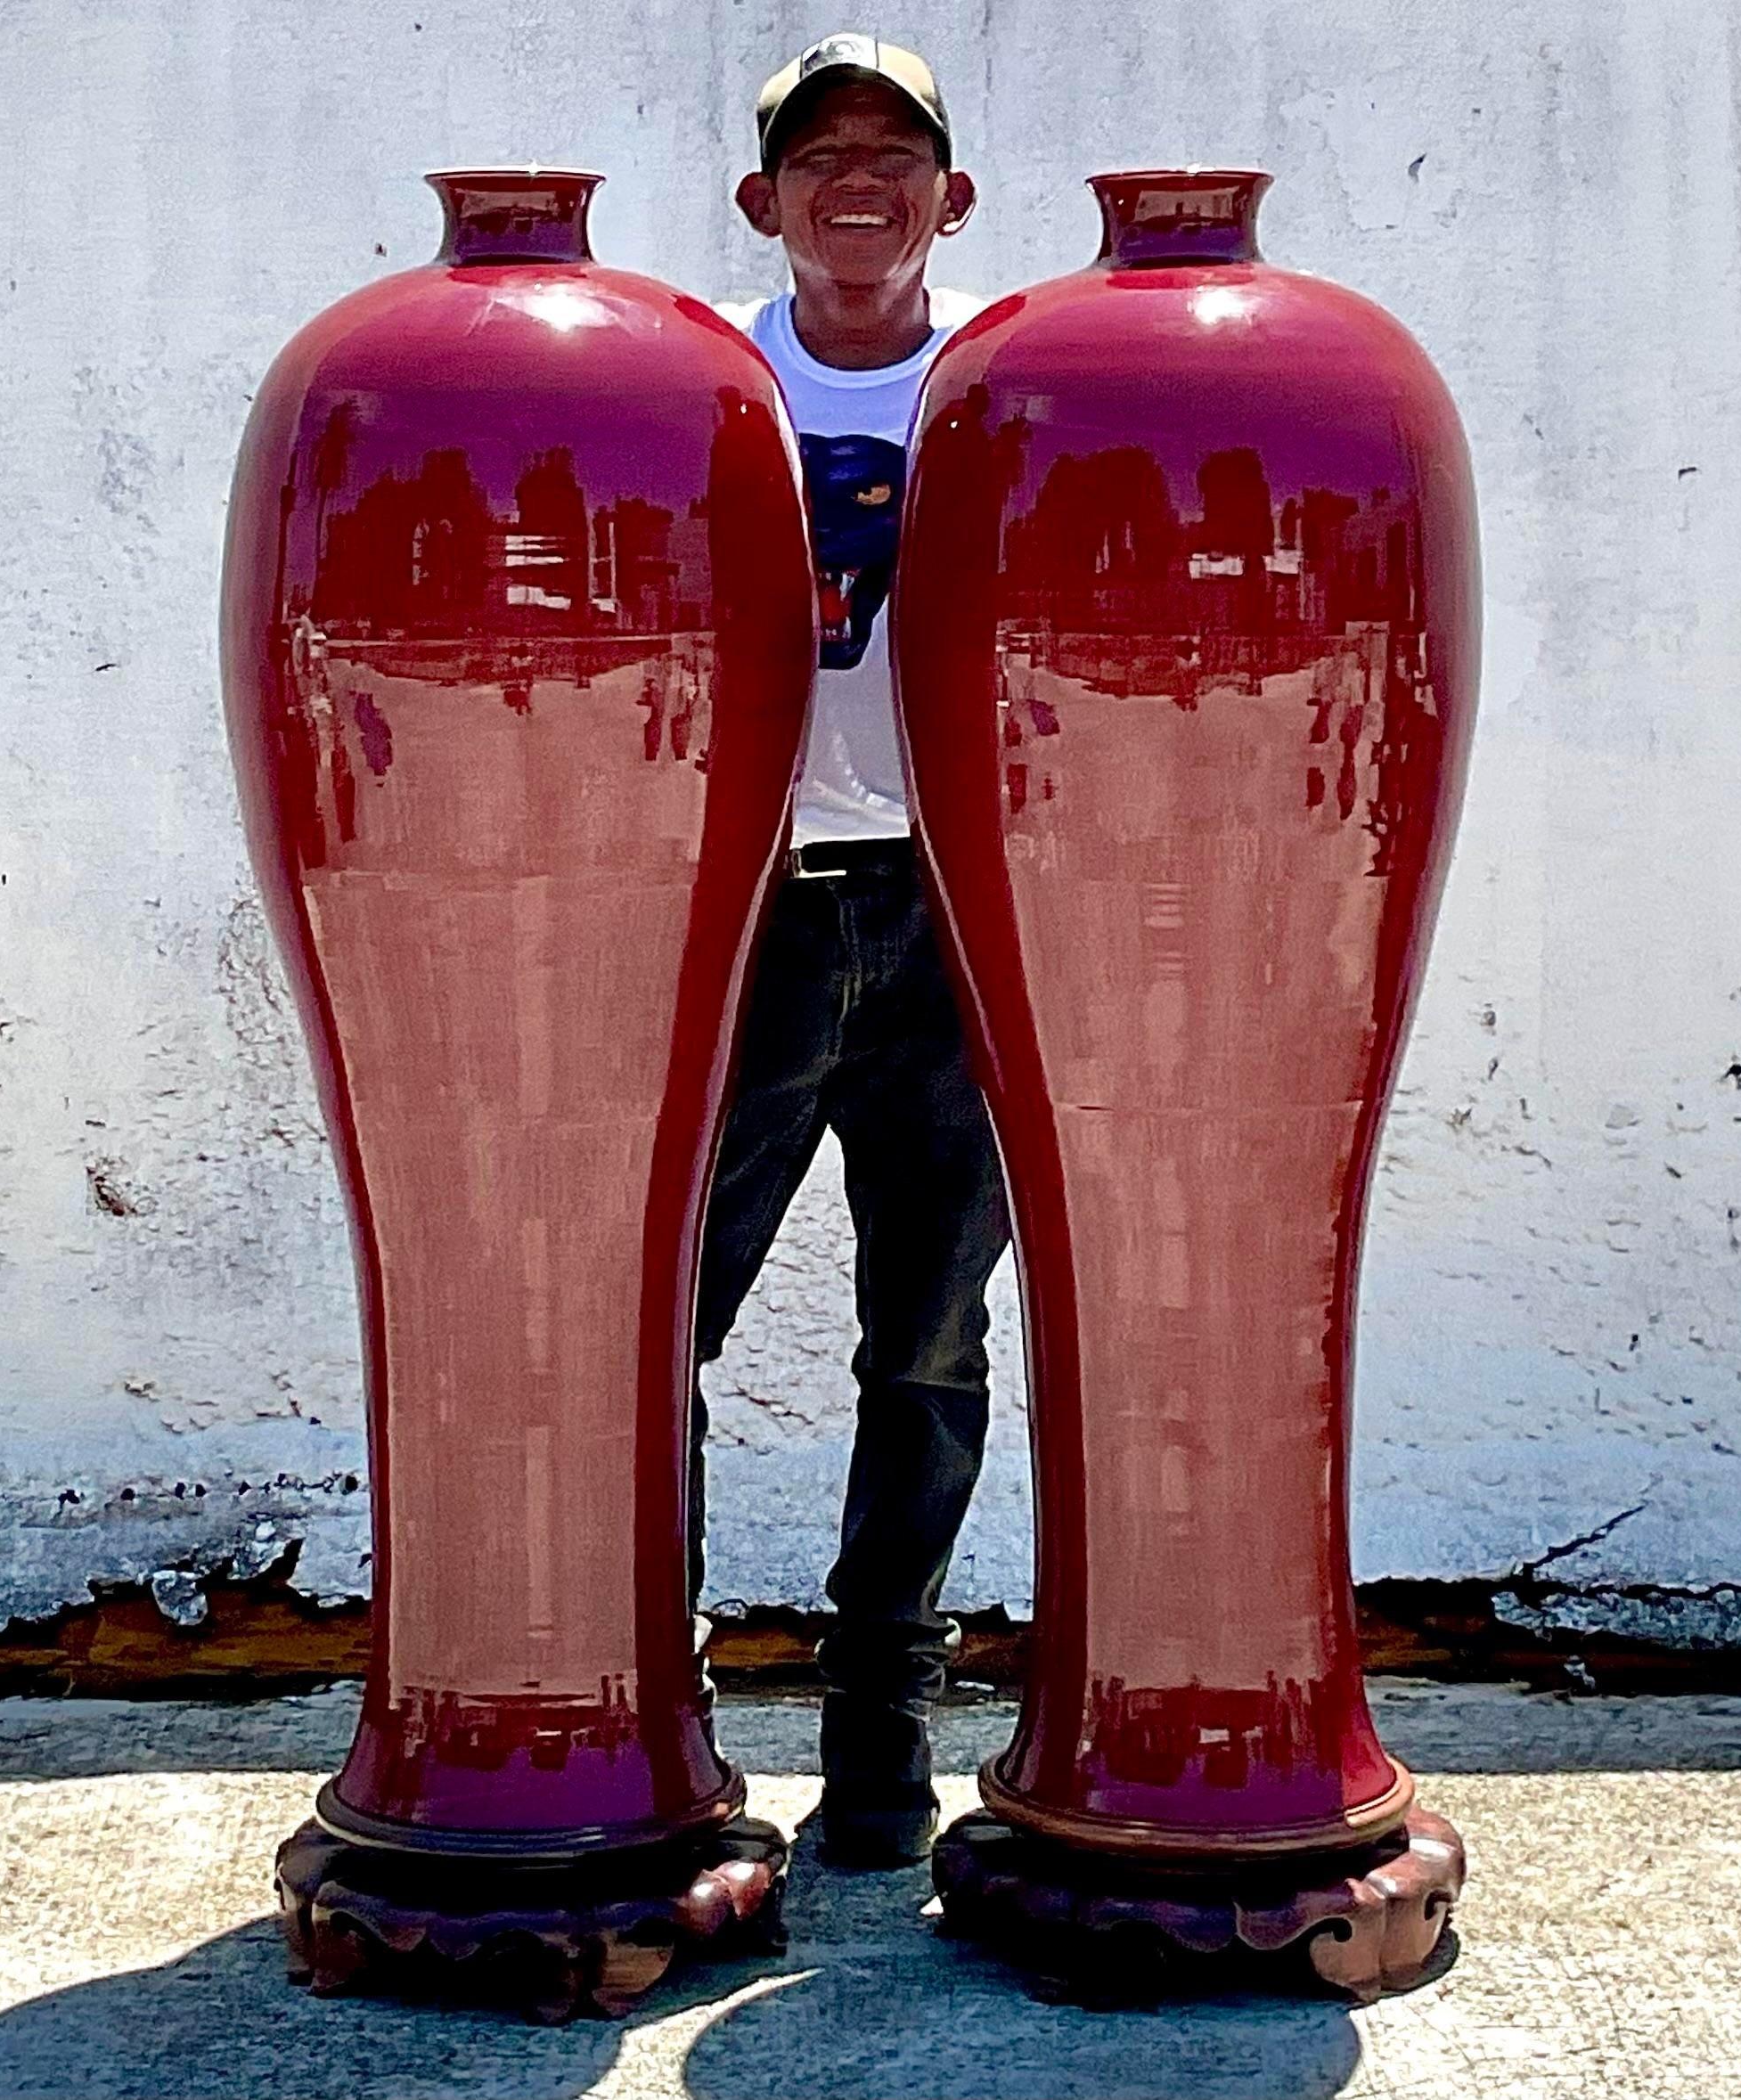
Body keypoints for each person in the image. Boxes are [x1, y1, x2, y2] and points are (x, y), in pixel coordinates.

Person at [689, 33, 1010, 1868]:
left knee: (932, 1345)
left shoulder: (1001, 377)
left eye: (899, 149)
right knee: (664, 1329)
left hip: (956, 916)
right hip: (752, 918)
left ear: (950, 195)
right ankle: (660, 1705)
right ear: (767, 200)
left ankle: (882, 1727)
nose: (860, 177)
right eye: (822, 155)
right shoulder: (712, 383)